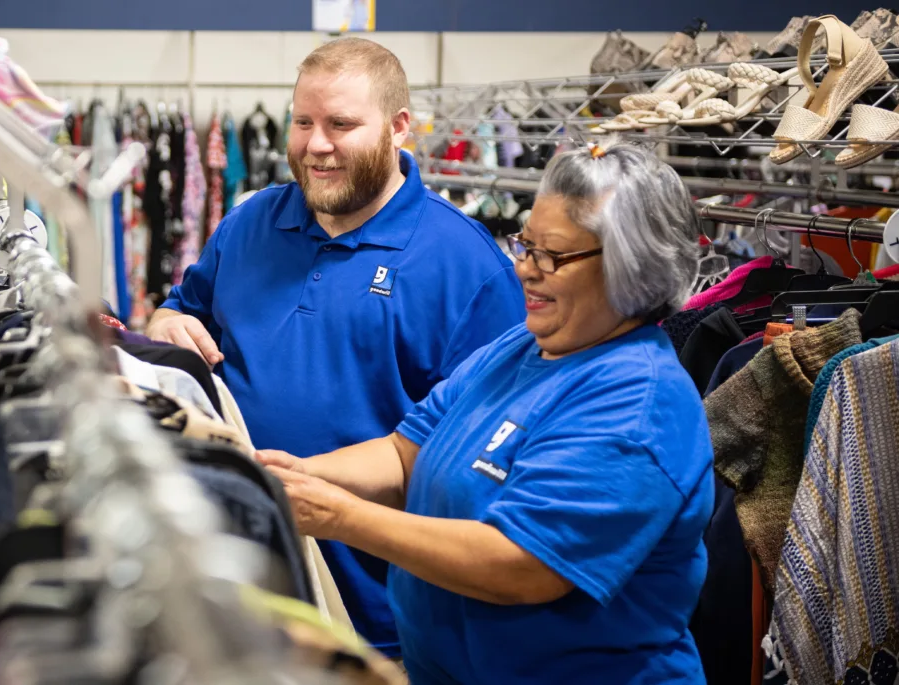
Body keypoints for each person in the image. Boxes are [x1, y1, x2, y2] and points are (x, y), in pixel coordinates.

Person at [258, 141, 715, 684]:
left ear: (633, 267)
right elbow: (406, 455)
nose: (525, 271)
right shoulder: (522, 346)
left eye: (553, 256)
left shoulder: (637, 400)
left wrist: (337, 516)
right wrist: (295, 476)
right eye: (525, 246)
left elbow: (523, 566)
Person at [146, 38, 525, 656]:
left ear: (400, 128)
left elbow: (481, 474)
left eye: (341, 124)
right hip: (234, 592)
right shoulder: (249, 223)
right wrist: (164, 319)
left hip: (384, 627)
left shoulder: (468, 267)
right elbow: (183, 309)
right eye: (303, 122)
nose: (316, 145)